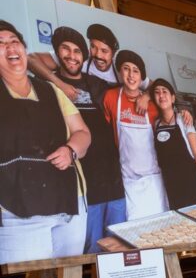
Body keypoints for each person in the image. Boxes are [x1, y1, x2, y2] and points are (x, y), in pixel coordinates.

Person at [0, 20, 91, 262]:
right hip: (16, 210)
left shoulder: (52, 91)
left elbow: (82, 133)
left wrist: (71, 150)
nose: (10, 47)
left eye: (14, 41)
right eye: (1, 43)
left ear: (23, 48)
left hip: (68, 203)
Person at [51, 26, 126, 252]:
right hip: (84, 185)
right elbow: (33, 60)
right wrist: (60, 83)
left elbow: (135, 86)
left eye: (77, 51)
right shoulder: (49, 86)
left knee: (118, 246)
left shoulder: (96, 84)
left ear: (83, 57)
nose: (71, 56)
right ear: (56, 52)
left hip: (114, 181)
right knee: (91, 249)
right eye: (65, 49)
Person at [101, 50, 168, 220]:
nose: (131, 75)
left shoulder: (153, 104)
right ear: (119, 71)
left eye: (136, 71)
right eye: (126, 68)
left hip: (154, 179)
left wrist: (146, 95)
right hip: (128, 179)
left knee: (160, 227)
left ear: (141, 77)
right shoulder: (111, 97)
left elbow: (170, 116)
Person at [28, 23, 152, 114]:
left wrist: (146, 97)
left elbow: (153, 85)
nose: (98, 55)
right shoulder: (78, 57)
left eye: (104, 51)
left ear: (113, 53)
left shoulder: (122, 71)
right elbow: (31, 59)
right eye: (93, 47)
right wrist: (59, 83)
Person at [150, 78, 196, 209]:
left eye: (164, 91)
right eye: (157, 92)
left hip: (191, 184)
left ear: (172, 98)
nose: (161, 95)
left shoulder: (183, 119)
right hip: (171, 187)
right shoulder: (156, 124)